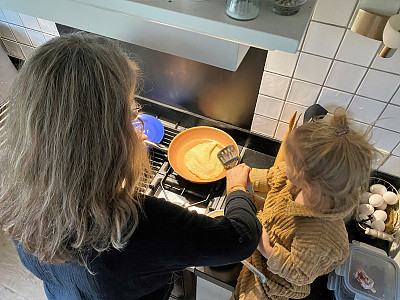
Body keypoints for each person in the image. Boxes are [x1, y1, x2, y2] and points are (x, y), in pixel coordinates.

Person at [0, 32, 262, 300]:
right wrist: (237, 186)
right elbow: (241, 238)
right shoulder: (140, 225)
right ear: (106, 142)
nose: (135, 113)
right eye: (129, 111)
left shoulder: (17, 198)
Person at [232, 109, 377, 300]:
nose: (285, 164)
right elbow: (275, 177)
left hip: (273, 280)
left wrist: (264, 245)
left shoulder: (319, 237)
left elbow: (298, 273)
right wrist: (246, 178)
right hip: (266, 231)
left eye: (290, 162)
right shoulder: (301, 181)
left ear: (308, 182)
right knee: (240, 204)